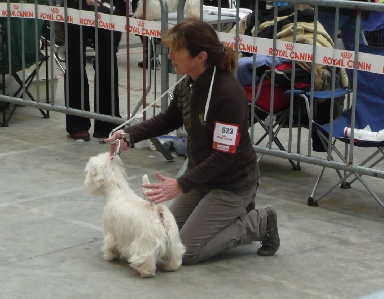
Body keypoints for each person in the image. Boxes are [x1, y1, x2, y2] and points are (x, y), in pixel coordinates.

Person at [105, 19, 280, 265]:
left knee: (184, 252)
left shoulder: (229, 95)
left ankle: (259, 221)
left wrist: (180, 185)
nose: (170, 56)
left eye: (176, 51)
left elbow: (223, 156)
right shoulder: (189, 84)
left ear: (201, 56)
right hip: (202, 177)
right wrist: (129, 136)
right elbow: (168, 119)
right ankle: (221, 216)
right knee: (164, 237)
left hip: (232, 184)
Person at [65, 0, 125, 141]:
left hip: (109, 7)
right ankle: (77, 123)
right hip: (76, 8)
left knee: (107, 61)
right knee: (75, 61)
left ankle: (107, 122)